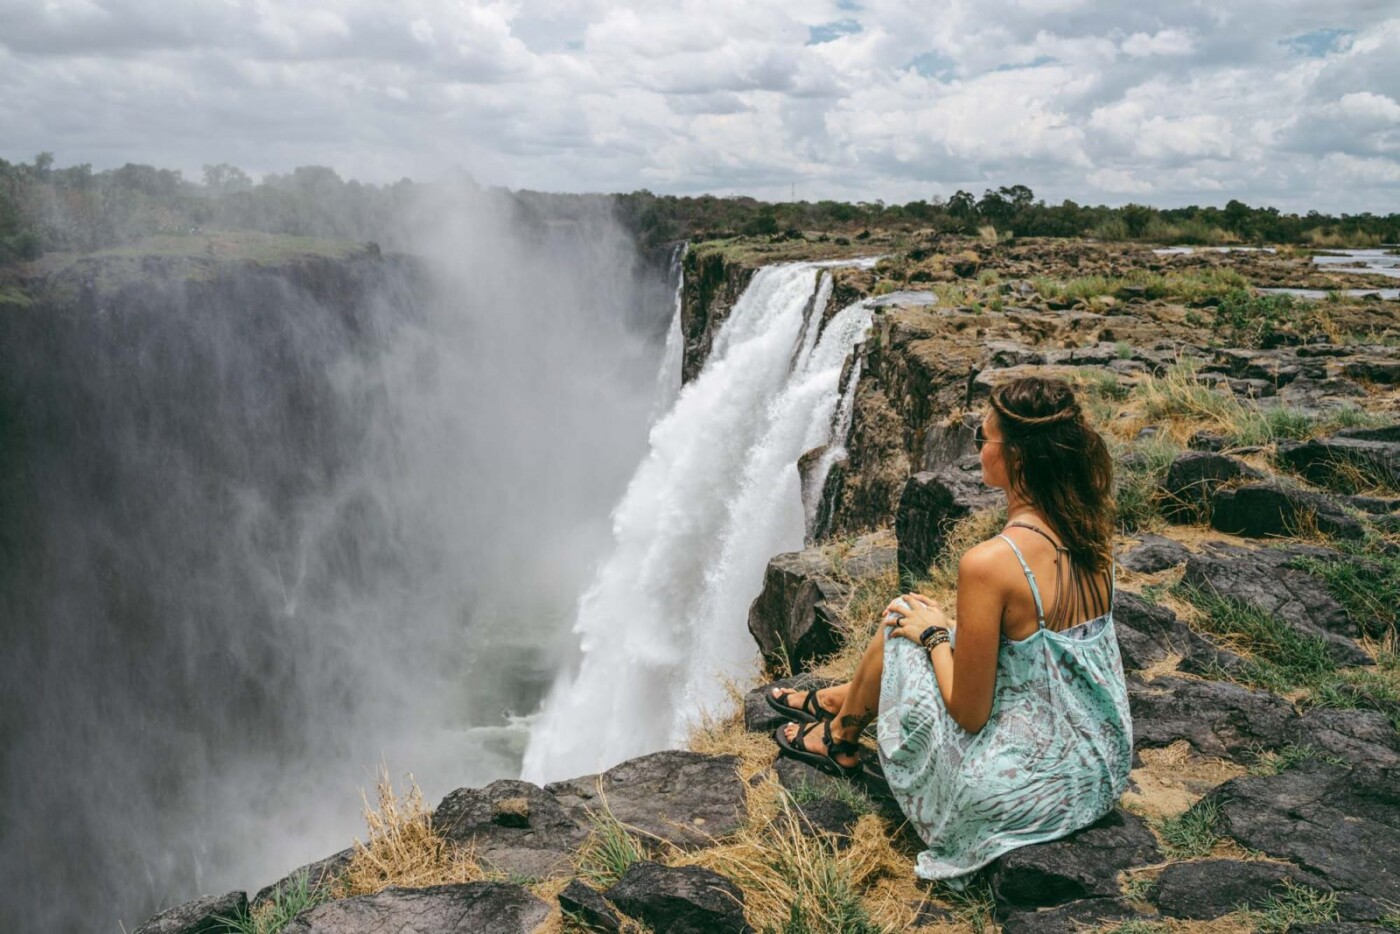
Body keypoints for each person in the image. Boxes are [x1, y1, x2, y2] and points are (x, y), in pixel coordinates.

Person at [770, 374, 1132, 882]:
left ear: (1018, 457)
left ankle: (841, 738)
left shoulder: (991, 563)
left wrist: (936, 636)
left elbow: (969, 714)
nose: (978, 448)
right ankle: (844, 700)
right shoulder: (1091, 531)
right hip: (1096, 767)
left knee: (904, 617)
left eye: (983, 439)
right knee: (930, 621)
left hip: (1021, 796)